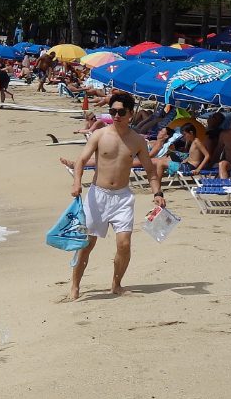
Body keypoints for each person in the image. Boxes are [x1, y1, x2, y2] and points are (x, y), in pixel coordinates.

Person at [69, 94, 163, 300]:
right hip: (97, 195)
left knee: (124, 244)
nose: (116, 115)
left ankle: (116, 284)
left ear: (131, 114)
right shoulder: (100, 135)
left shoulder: (137, 140)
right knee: (87, 244)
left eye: (121, 112)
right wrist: (77, 182)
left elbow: (150, 170)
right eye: (113, 112)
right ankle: (75, 286)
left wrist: (157, 193)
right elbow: (81, 160)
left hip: (122, 197)